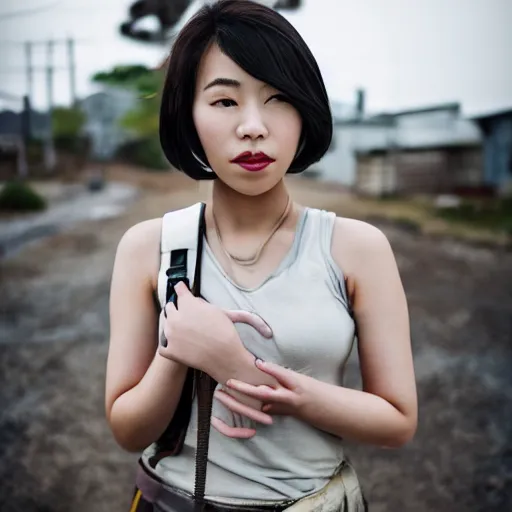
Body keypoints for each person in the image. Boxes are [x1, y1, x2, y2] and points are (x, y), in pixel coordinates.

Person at [105, 1, 418, 510]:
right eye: (225, 102)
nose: (253, 126)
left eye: (277, 99)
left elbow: (397, 421)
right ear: (189, 113)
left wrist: (244, 371)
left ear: (306, 109)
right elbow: (126, 428)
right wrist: (175, 351)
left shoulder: (357, 249)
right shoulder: (149, 247)